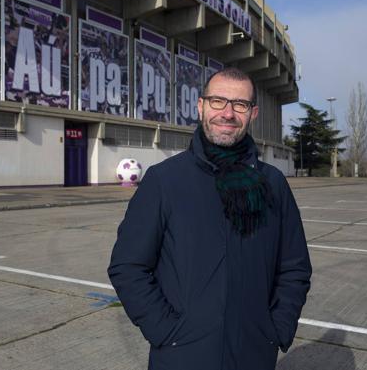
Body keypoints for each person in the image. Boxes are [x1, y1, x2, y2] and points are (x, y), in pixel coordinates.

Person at [108, 67, 312, 370]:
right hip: (182, 357)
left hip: (254, 356)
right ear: (201, 105)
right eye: (218, 101)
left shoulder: (273, 185)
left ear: (252, 113)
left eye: (239, 104)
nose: (228, 113)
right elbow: (128, 266)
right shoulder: (164, 180)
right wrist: (166, 331)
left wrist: (276, 330)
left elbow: (294, 267)